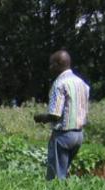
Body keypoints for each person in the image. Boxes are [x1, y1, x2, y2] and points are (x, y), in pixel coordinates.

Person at [34, 50, 90, 180]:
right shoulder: (82, 83)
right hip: (79, 135)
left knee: (55, 178)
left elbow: (55, 115)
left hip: (63, 135)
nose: (50, 67)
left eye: (52, 64)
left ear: (58, 64)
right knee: (63, 173)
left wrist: (40, 118)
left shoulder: (59, 84)